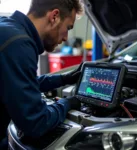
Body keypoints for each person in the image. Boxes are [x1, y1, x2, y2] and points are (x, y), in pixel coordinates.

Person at [0, 0, 84, 149]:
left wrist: (63, 79)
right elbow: (36, 123)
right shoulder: (19, 44)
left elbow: (17, 82)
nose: (65, 38)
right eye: (68, 28)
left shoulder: (8, 29)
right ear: (54, 17)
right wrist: (67, 104)